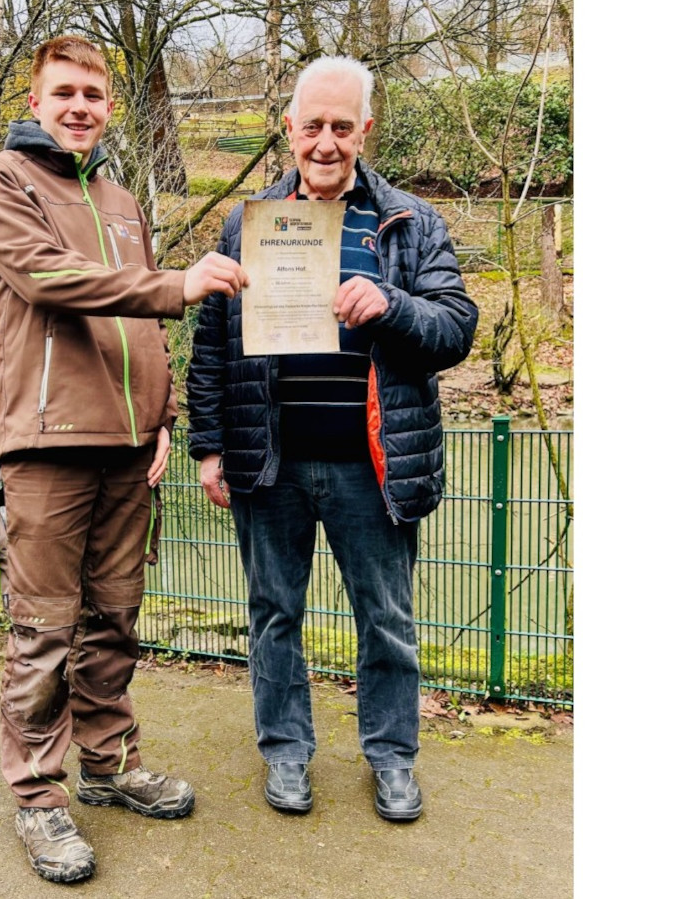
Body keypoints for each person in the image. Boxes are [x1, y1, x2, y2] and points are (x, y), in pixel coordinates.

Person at [0, 35, 246, 884]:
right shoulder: (0, 179)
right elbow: (51, 279)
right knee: (45, 629)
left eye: (93, 94)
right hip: (47, 443)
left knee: (115, 619)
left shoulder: (121, 197)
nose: (79, 107)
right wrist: (175, 283)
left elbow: (140, 326)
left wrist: (162, 414)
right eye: (64, 93)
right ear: (35, 100)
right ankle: (38, 797)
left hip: (131, 449)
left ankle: (110, 763)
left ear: (110, 107)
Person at [186, 55, 478, 821]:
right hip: (270, 462)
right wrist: (209, 447)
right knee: (273, 615)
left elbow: (456, 328)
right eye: (311, 125)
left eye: (341, 127)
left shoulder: (409, 223)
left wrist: (390, 304)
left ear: (364, 130)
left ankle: (392, 758)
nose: (325, 142)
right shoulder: (248, 222)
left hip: (370, 466)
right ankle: (285, 751)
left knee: (386, 621)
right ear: (289, 128)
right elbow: (213, 342)